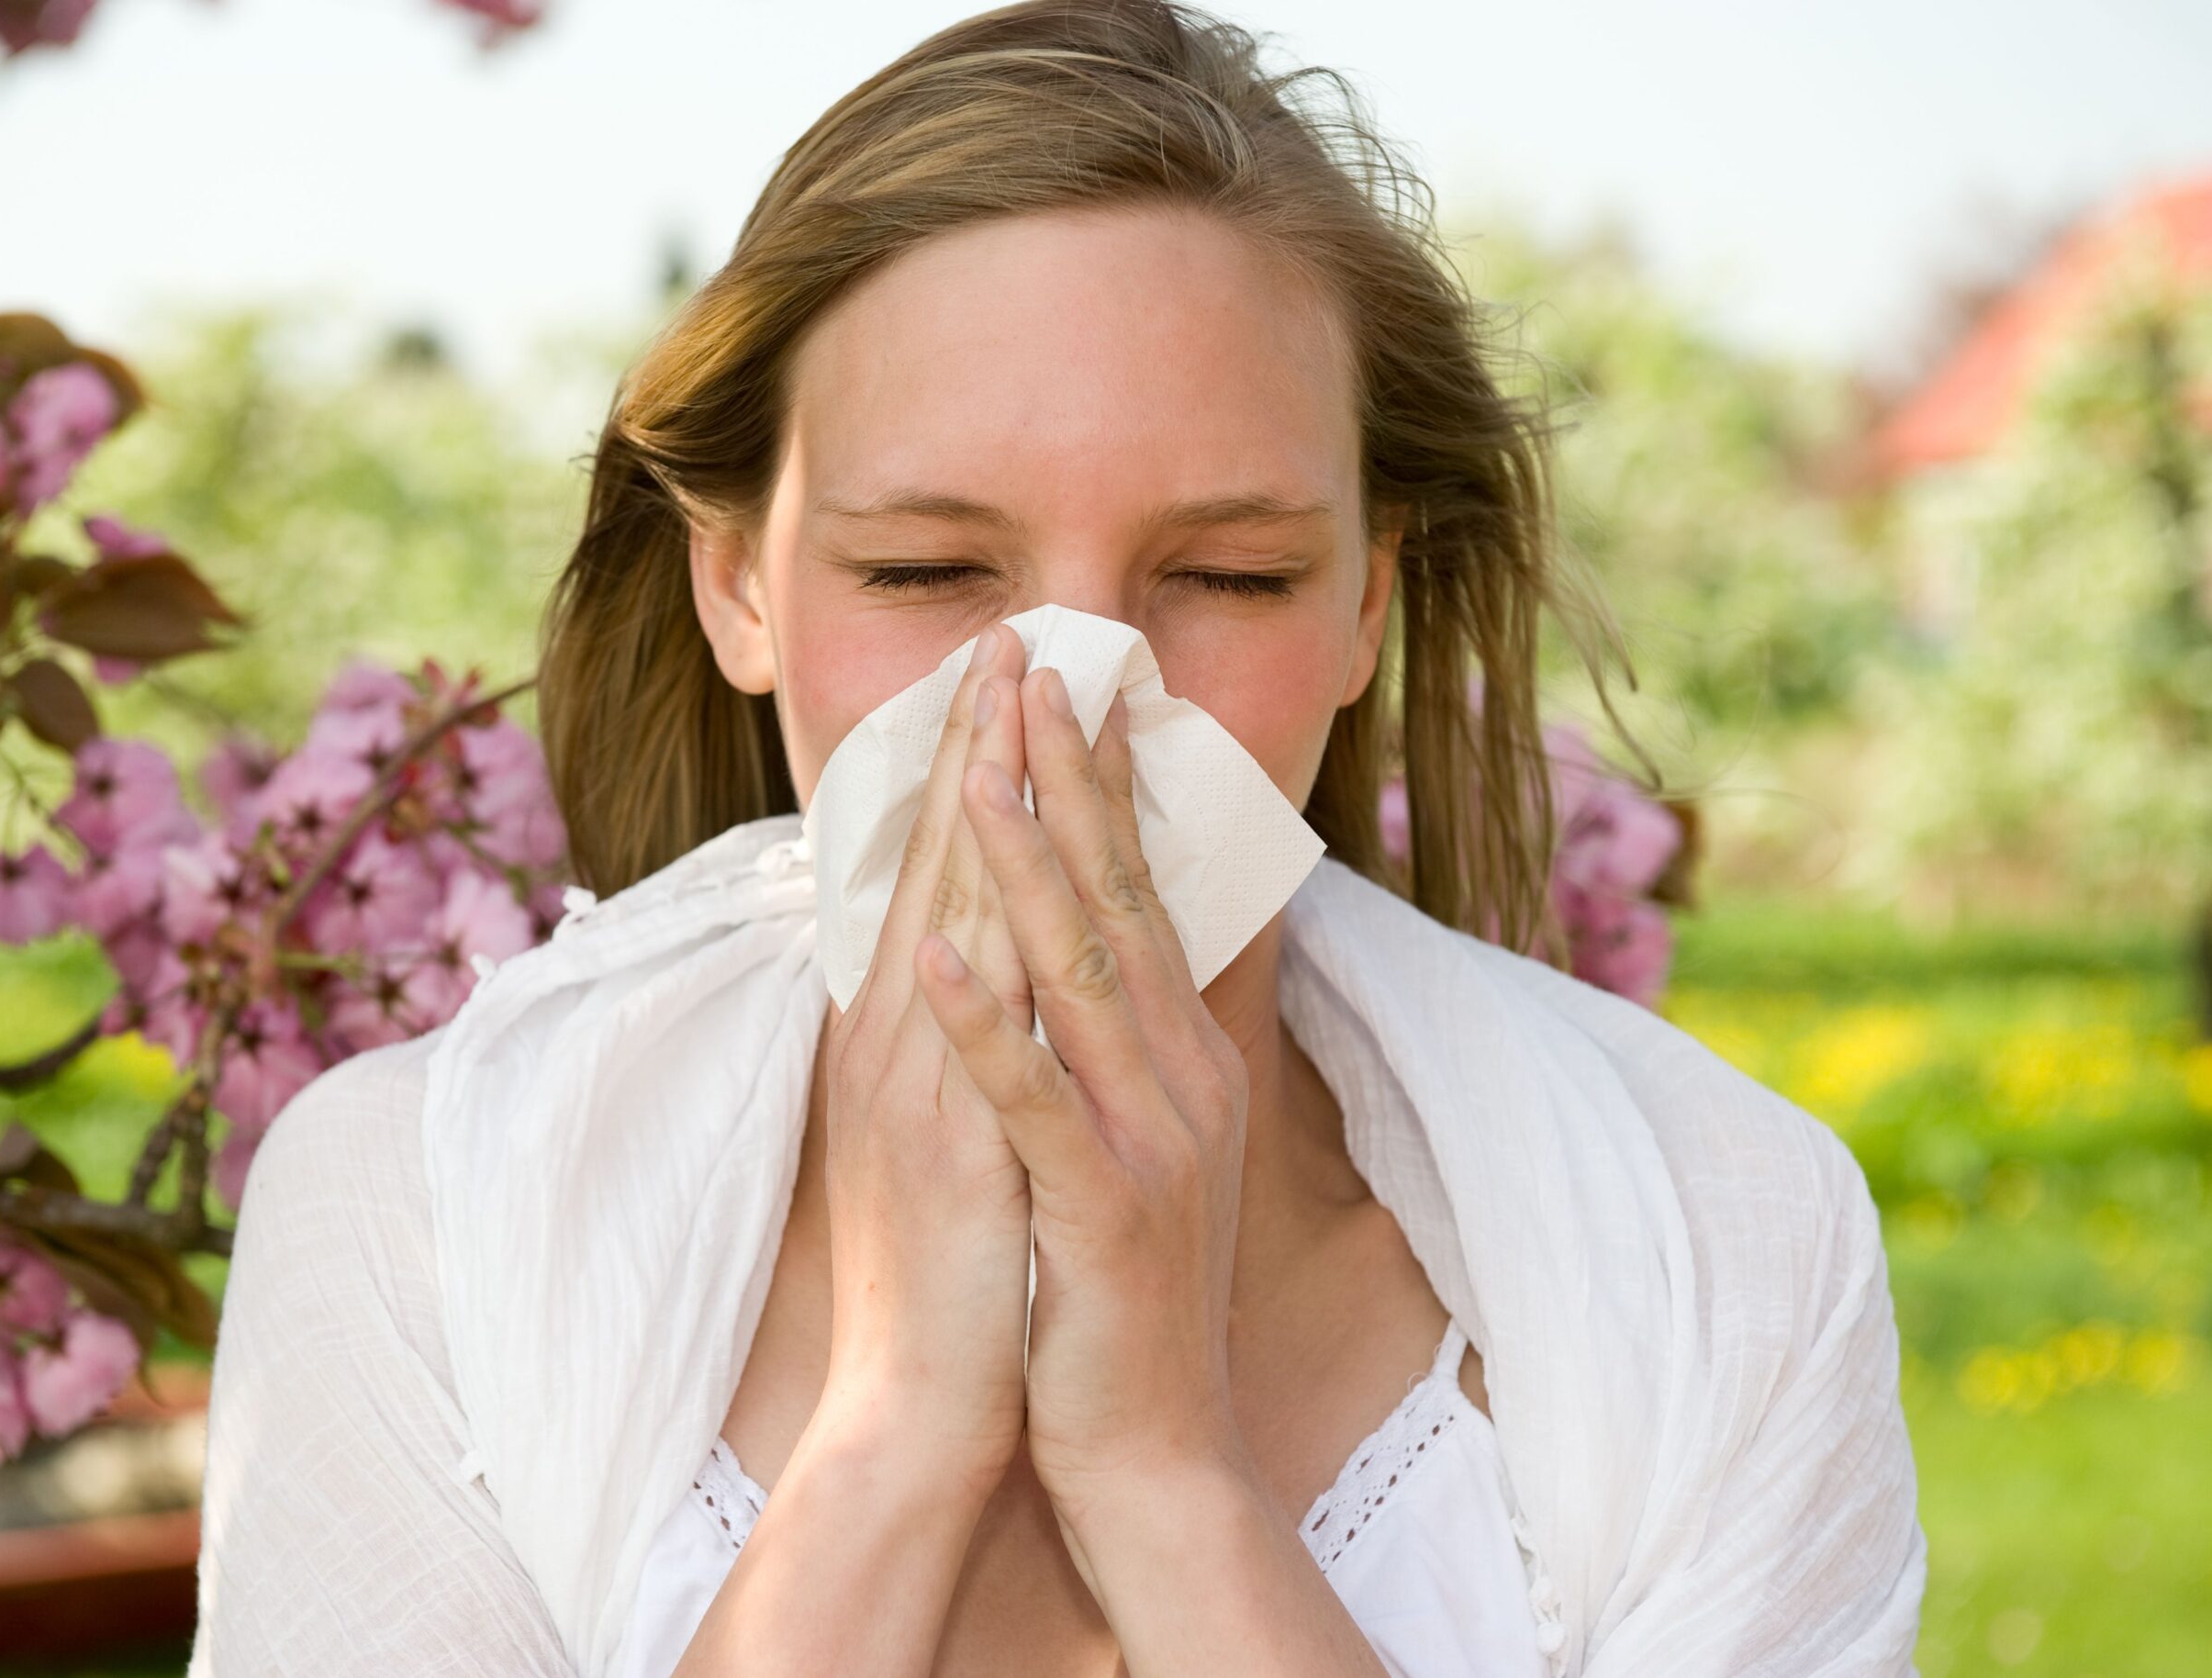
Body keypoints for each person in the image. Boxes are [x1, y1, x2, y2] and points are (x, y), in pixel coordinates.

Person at [186, 4, 1926, 1675]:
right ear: (740, 584)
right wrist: (892, 1433)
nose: (1079, 704)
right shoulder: (422, 1220)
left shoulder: (1727, 1244)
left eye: (1235, 577)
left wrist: (1170, 1475)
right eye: (926, 573)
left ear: (1366, 603)